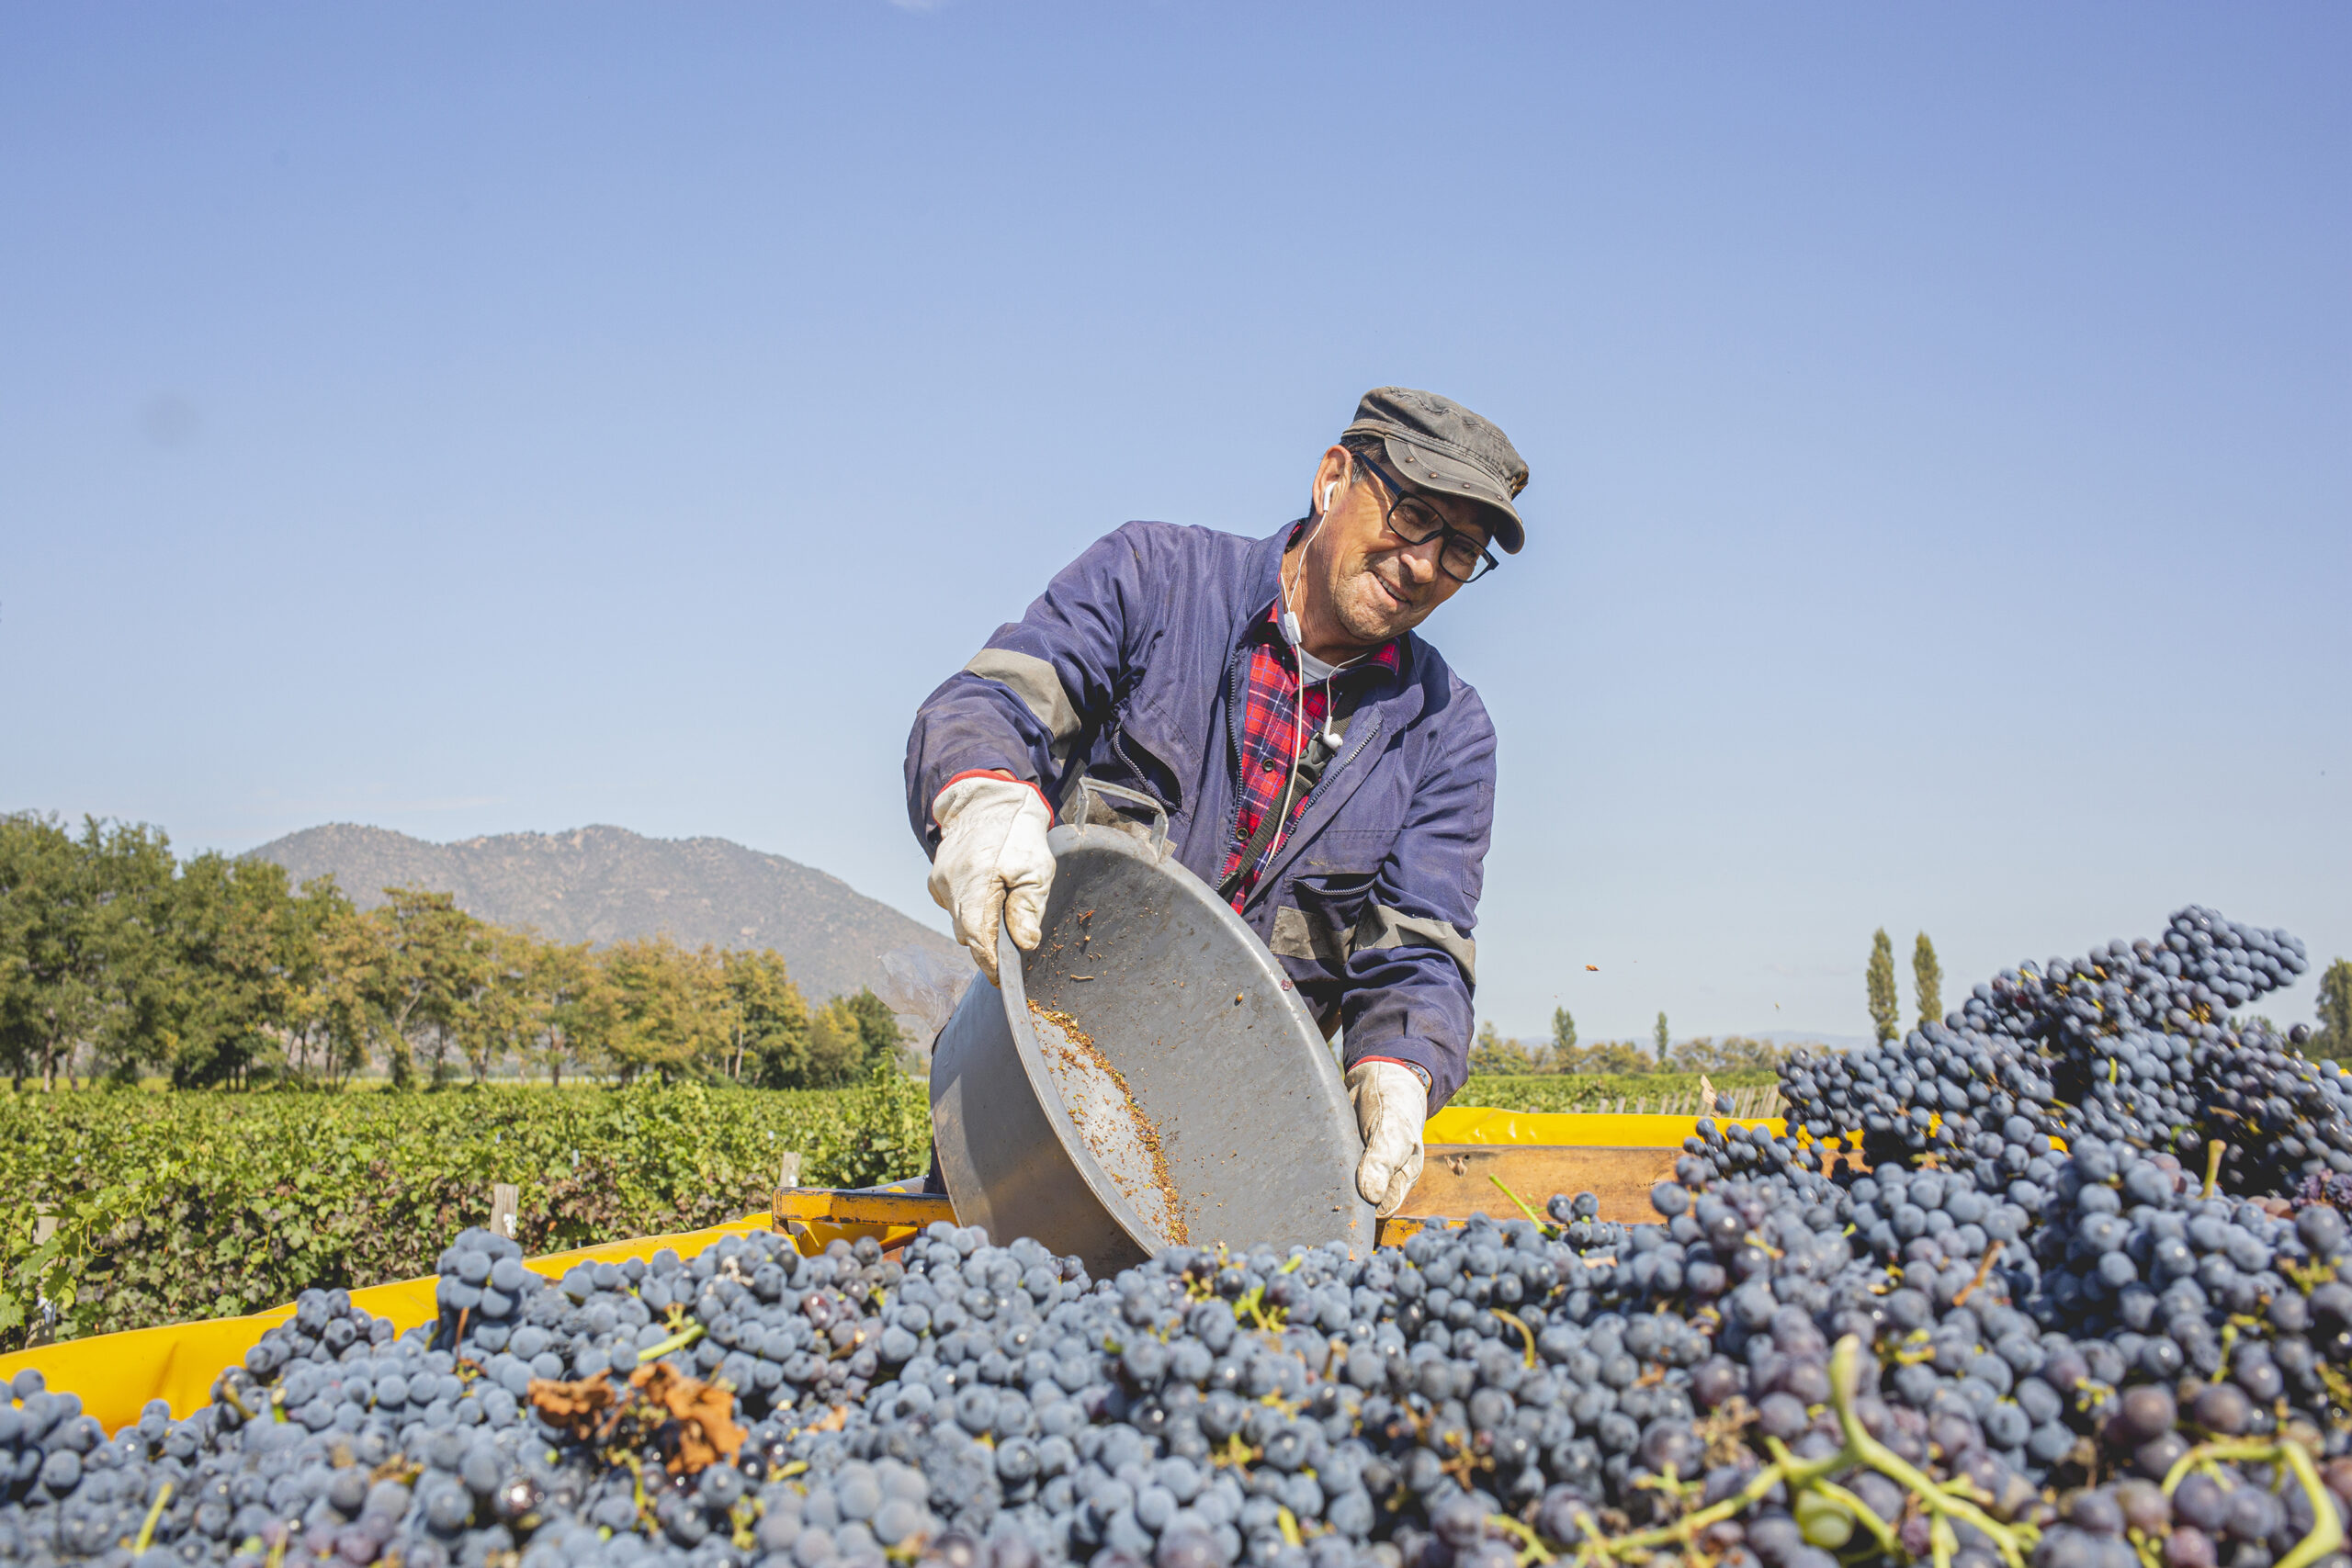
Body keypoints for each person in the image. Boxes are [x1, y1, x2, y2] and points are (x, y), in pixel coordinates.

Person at [904, 387, 1528, 1217]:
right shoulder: (1156, 582)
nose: (1423, 563)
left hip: (1217, 1175)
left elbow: (1419, 946)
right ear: (1333, 479)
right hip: (1022, 1092)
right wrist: (982, 794)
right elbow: (999, 699)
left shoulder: (1448, 733)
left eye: (1460, 551)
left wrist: (1400, 1068)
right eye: (1412, 515)